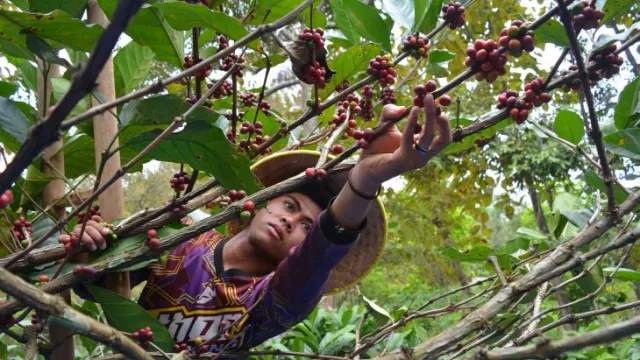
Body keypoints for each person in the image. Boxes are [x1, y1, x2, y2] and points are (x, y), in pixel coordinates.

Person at [62, 94, 451, 356]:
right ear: (260, 202)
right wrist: (91, 252)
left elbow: (323, 247)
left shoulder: (274, 300)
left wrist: (365, 179)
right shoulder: (181, 240)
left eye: (304, 226)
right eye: (289, 204)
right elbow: (103, 287)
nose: (290, 220)